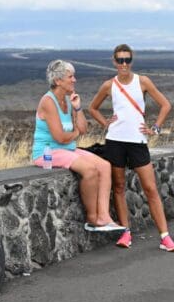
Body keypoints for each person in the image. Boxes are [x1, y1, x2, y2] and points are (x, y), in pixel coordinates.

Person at [87, 44, 174, 252]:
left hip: (138, 141)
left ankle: (165, 237)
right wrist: (105, 124)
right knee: (118, 187)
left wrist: (155, 128)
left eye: (127, 60)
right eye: (120, 60)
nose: (124, 64)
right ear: (114, 61)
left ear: (132, 60)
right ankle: (125, 232)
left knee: (150, 188)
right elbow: (92, 108)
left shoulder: (143, 81)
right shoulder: (108, 85)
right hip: (115, 141)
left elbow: (166, 105)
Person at [32, 59, 125, 233]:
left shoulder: (68, 100)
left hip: (66, 149)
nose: (74, 80)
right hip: (47, 152)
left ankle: (104, 217)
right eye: (70, 77)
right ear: (58, 81)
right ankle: (92, 219)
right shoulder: (48, 101)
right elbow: (60, 137)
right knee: (89, 170)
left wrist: (78, 108)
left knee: (104, 166)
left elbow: (83, 128)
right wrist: (75, 133)